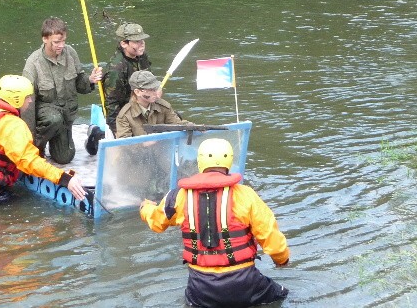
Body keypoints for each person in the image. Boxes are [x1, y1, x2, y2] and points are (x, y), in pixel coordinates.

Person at [140, 138, 290, 308]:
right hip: (245, 283)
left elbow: (157, 222)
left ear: (200, 162)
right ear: (229, 161)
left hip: (200, 288)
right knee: (283, 296)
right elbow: (269, 233)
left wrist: (145, 208)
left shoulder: (178, 196)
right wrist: (281, 260)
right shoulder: (246, 195)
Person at [0, 74, 86, 204]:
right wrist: (64, 179)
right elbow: (28, 161)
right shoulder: (13, 124)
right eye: (28, 97)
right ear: (17, 99)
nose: (31, 100)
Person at [22, 17, 103, 163]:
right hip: (45, 116)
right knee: (54, 119)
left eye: (63, 41)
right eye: (56, 42)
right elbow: (27, 104)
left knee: (65, 158)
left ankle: (59, 142)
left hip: (66, 116)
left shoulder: (70, 53)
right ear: (45, 39)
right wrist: (29, 139)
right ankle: (38, 147)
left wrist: (90, 80)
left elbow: (79, 84)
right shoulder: (33, 63)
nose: (61, 45)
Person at [103, 22, 153, 134]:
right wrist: (119, 132)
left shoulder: (142, 57)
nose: (142, 44)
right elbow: (112, 105)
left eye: (142, 40)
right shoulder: (116, 69)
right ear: (124, 44)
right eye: (136, 41)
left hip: (145, 107)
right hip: (127, 115)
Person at [114, 70, 192, 139]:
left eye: (156, 88)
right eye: (151, 90)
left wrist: (192, 126)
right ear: (137, 92)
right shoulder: (125, 116)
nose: (156, 93)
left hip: (162, 151)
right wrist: (143, 143)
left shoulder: (163, 107)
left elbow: (178, 124)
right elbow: (123, 144)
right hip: (136, 154)